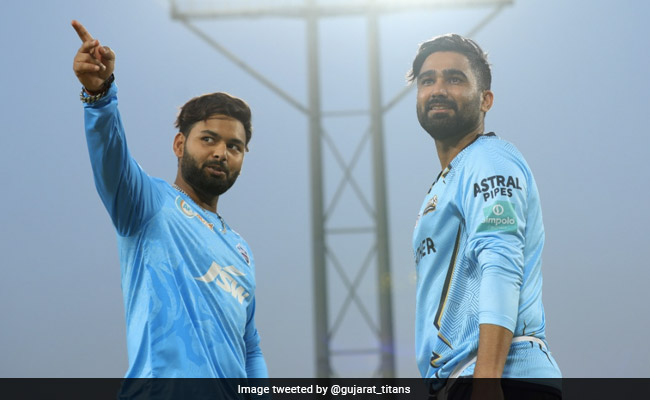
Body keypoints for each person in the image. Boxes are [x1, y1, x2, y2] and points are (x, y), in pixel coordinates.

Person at [71, 20, 268, 382]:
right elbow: (112, 159)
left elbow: (250, 347)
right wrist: (100, 98)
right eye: (208, 139)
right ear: (180, 145)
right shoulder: (149, 204)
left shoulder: (242, 251)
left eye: (234, 146)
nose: (221, 152)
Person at [409, 34, 561, 399]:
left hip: (499, 375)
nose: (438, 89)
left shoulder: (488, 159)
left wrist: (487, 380)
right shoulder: (447, 180)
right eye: (427, 80)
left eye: (454, 79)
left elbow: (501, 262)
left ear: (485, 100)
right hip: (462, 378)